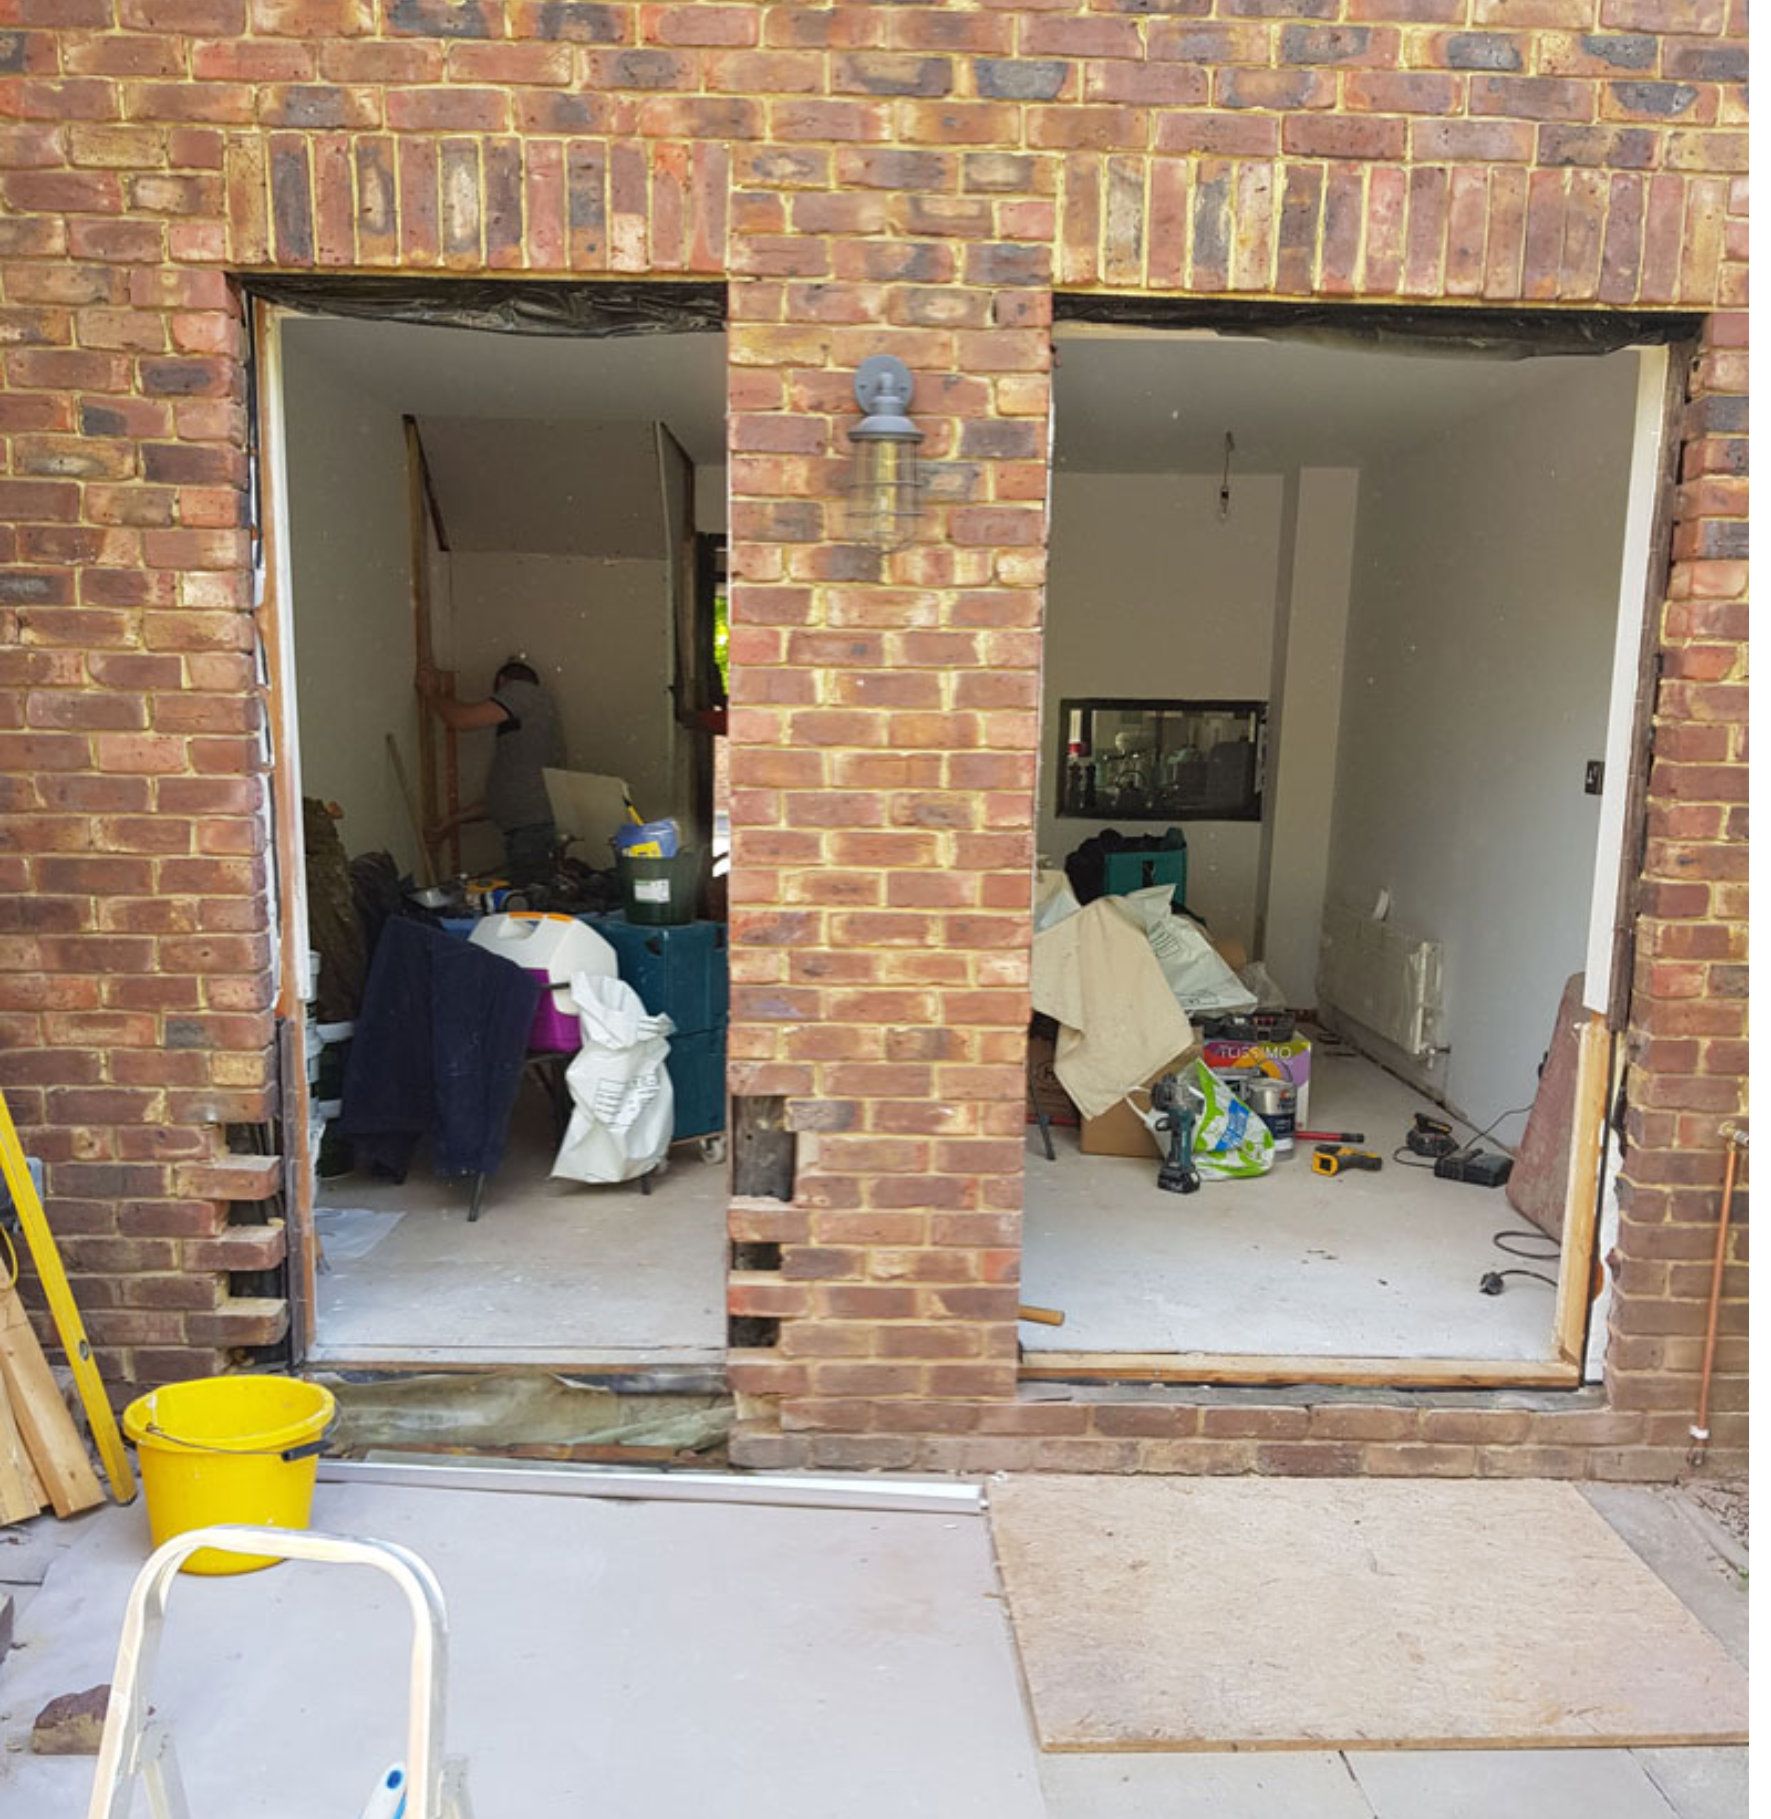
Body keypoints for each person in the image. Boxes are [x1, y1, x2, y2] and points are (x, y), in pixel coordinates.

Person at [419, 656, 565, 886]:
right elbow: (501, 802)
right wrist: (449, 823)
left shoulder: (523, 691)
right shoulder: (527, 741)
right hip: (530, 831)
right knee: (531, 902)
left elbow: (462, 720)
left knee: (530, 906)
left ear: (503, 682)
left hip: (532, 834)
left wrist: (431, 694)